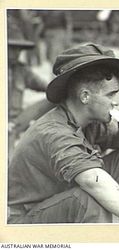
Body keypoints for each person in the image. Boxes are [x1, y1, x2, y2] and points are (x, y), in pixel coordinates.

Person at [8, 43, 119, 224]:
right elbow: (92, 181)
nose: (114, 103)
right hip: (31, 219)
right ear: (85, 96)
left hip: (63, 197)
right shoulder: (53, 131)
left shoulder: (87, 120)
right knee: (88, 198)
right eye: (110, 95)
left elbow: (115, 144)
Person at [7, 16, 53, 161]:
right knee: (9, 161)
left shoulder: (22, 70)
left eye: (19, 49)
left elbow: (47, 87)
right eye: (11, 48)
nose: (16, 54)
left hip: (17, 120)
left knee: (57, 97)